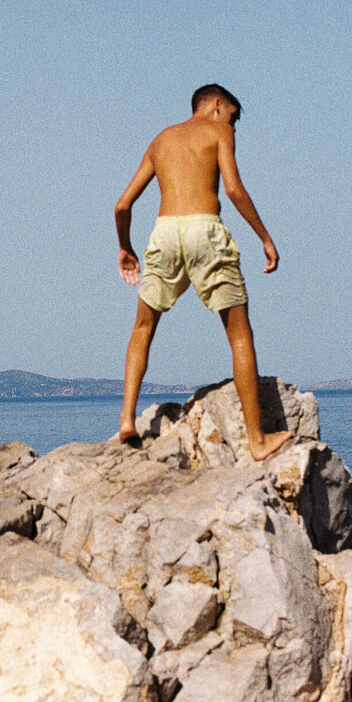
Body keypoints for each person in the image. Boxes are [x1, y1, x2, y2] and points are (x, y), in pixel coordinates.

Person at [114, 84, 293, 460]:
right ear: (215, 105)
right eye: (233, 116)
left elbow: (122, 205)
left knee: (142, 328)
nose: (234, 125)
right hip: (205, 230)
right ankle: (257, 441)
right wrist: (265, 236)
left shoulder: (161, 139)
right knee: (239, 334)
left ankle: (128, 419)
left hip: (164, 232)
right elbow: (233, 189)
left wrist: (125, 247)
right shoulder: (218, 131)